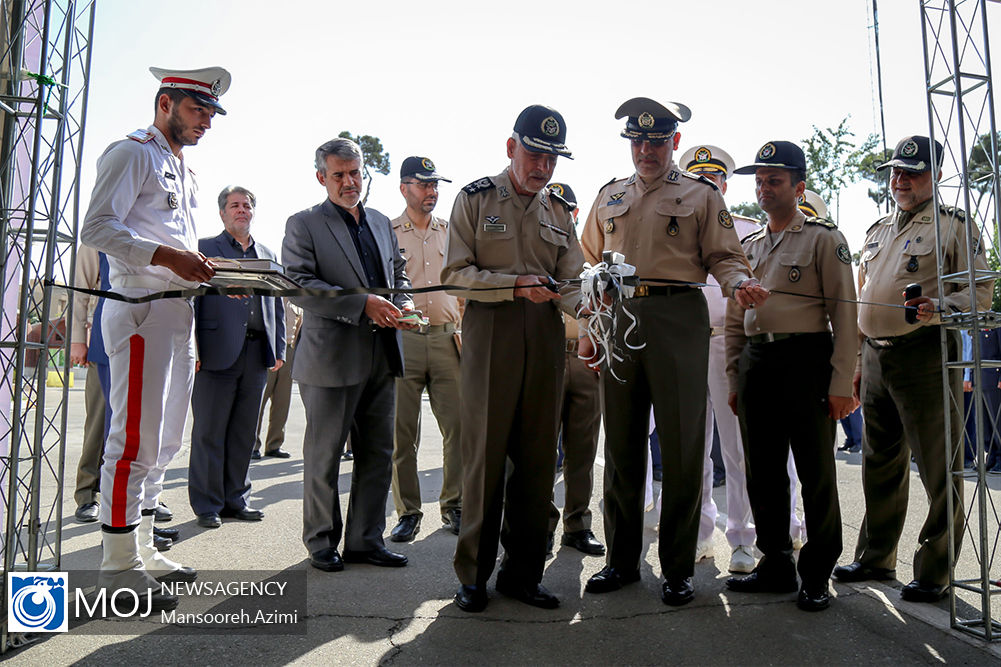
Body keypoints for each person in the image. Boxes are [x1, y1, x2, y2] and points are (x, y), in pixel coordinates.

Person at [579, 98, 764, 606]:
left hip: (679, 317)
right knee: (620, 446)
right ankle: (620, 560)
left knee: (683, 448)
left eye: (656, 141)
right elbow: (585, 260)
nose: (646, 151)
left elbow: (726, 256)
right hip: (619, 319)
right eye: (637, 142)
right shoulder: (608, 196)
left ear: (674, 143)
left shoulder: (701, 196)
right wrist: (587, 321)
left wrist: (739, 282)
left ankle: (678, 567)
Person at [80, 65, 229, 610]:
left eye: (211, 113)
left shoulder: (181, 167)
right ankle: (118, 565)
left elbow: (176, 241)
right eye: (198, 110)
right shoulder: (133, 152)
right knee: (133, 442)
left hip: (178, 313)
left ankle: (143, 546)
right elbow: (96, 227)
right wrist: (169, 258)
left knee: (164, 443)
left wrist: (214, 276)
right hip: (141, 309)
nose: (207, 122)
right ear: (166, 102)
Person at [834, 135, 993, 602]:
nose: (900, 180)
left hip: (924, 350)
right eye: (895, 172)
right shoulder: (878, 229)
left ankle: (935, 571)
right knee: (879, 462)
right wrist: (861, 360)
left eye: (912, 172)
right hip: (878, 355)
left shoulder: (954, 226)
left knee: (940, 466)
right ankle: (876, 557)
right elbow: (865, 296)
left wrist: (939, 306)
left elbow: (979, 298)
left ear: (936, 175)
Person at [443, 105, 583, 613]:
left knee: (538, 461)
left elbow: (571, 282)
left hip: (545, 344)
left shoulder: (560, 212)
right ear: (511, 148)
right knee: (484, 460)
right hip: (490, 337)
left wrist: (592, 299)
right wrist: (513, 285)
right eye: (534, 153)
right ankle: (473, 575)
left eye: (551, 158)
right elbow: (455, 273)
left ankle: (523, 573)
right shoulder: (476, 199)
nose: (542, 166)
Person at [722, 140, 857, 612]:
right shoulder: (750, 245)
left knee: (815, 471)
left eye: (773, 180)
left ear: (798, 186)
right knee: (763, 472)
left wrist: (842, 383)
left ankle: (816, 572)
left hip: (807, 361)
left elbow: (846, 315)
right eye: (759, 181)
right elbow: (735, 319)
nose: (763, 188)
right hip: (758, 362)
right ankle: (775, 562)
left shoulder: (824, 238)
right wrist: (736, 377)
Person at [283, 137, 415, 574]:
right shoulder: (303, 224)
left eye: (355, 173)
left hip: (382, 352)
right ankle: (322, 541)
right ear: (321, 177)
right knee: (324, 456)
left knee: (378, 452)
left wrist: (407, 303)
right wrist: (362, 305)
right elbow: (299, 284)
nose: (348, 181)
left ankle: (365, 540)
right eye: (338, 174)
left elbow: (399, 273)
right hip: (330, 359)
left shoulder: (380, 221)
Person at [674, 144, 759, 574]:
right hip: (686, 342)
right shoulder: (675, 227)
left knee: (736, 447)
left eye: (715, 179)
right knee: (692, 449)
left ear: (726, 184)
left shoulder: (747, 229)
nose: (709, 185)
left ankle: (743, 537)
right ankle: (699, 534)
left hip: (729, 340)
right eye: (699, 179)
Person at [188, 186, 284, 529]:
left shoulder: (267, 254)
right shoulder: (203, 250)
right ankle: (208, 504)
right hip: (214, 352)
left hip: (257, 353)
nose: (241, 210)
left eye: (247, 205)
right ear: (222, 213)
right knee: (210, 432)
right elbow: (191, 303)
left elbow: (277, 305)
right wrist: (194, 349)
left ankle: (236, 499)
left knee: (245, 433)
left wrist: (280, 349)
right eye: (234, 205)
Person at [389, 156, 463, 542]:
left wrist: (461, 325)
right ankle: (408, 512)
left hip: (448, 338)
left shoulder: (451, 231)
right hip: (405, 339)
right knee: (403, 434)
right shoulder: (387, 231)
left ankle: (454, 506)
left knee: (459, 429)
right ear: (404, 188)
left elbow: (463, 286)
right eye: (423, 184)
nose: (432, 192)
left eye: (435, 185)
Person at [546, 182, 604, 558]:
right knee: (541, 451)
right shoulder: (537, 253)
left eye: (568, 208)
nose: (563, 214)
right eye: (555, 208)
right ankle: (541, 524)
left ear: (576, 213)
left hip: (584, 358)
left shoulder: (592, 260)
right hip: (547, 358)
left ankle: (578, 525)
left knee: (583, 449)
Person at [69, 245, 111, 524]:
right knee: (98, 422)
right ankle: (87, 494)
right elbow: (80, 292)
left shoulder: (153, 230)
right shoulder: (97, 239)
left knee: (143, 425)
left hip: (146, 338)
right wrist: (76, 339)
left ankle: (142, 495)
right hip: (103, 338)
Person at [253, 299, 302, 459]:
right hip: (271, 349)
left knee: (282, 402)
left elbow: (298, 329)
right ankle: (253, 445)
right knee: (259, 401)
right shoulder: (272, 298)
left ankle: (274, 445)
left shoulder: (296, 303)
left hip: (289, 351)